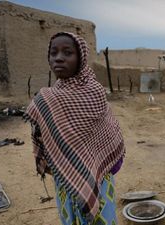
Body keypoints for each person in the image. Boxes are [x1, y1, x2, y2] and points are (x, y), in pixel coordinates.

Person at [24, 32, 125, 225]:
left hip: (99, 177)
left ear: (81, 58)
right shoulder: (46, 99)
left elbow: (108, 131)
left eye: (67, 52)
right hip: (65, 176)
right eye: (53, 53)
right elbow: (41, 138)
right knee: (70, 219)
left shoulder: (95, 92)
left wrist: (109, 162)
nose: (59, 58)